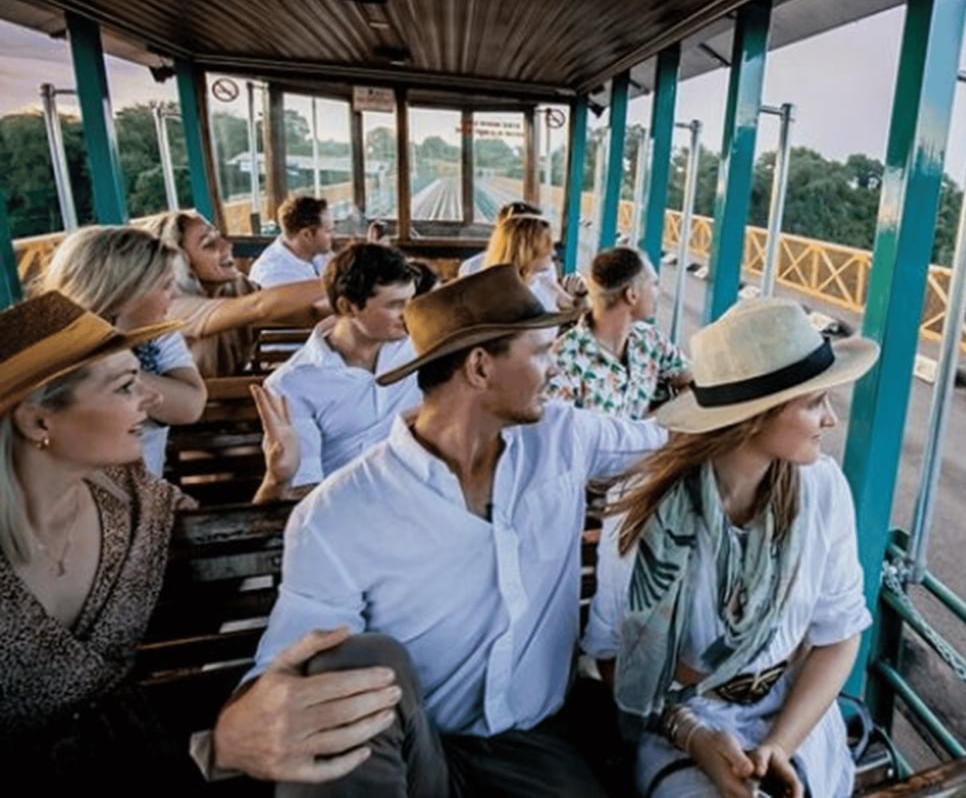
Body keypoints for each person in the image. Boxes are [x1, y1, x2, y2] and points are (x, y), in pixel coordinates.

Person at [211, 264, 668, 795]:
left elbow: (667, 439)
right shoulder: (340, 513)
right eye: (541, 352)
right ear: (479, 367)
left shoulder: (562, 436)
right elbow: (288, 671)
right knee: (346, 663)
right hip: (414, 754)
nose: (555, 367)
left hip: (536, 747)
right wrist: (234, 727)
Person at [584, 296, 879, 798]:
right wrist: (694, 738)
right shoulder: (642, 510)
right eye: (813, 403)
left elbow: (838, 634)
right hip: (683, 721)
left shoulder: (822, 489)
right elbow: (614, 655)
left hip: (793, 714)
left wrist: (780, 746)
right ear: (755, 417)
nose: (830, 420)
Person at [0, 292, 204, 789]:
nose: (151, 398)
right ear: (38, 421)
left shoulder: (137, 501)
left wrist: (275, 484)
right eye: (125, 386)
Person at [257, 244, 422, 496]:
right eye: (394, 305)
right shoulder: (290, 385)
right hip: (346, 508)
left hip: (422, 495)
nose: (409, 315)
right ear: (347, 307)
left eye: (410, 301)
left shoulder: (421, 347)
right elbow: (304, 489)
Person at [42, 225, 207, 476]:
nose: (175, 294)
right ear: (124, 293)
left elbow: (190, 406)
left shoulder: (158, 334)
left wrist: (106, 363)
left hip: (145, 490)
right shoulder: (44, 355)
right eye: (165, 285)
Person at [144, 210, 326, 377]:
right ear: (179, 263)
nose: (226, 246)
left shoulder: (238, 287)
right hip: (194, 410)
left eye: (220, 238)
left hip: (232, 399)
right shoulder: (169, 305)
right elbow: (259, 306)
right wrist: (341, 281)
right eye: (209, 244)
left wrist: (346, 308)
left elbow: (309, 313)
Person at [550, 246, 692, 419]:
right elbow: (558, 436)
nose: (658, 293)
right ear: (631, 295)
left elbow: (692, 384)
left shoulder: (652, 341)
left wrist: (656, 420)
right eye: (654, 284)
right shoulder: (564, 360)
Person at [461, 204, 587, 311]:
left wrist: (579, 297)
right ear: (527, 248)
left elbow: (570, 304)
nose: (553, 253)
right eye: (546, 244)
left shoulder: (540, 280)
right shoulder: (526, 294)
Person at [249, 195, 335, 287]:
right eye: (328, 231)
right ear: (306, 235)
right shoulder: (275, 275)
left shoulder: (316, 252)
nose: (333, 235)